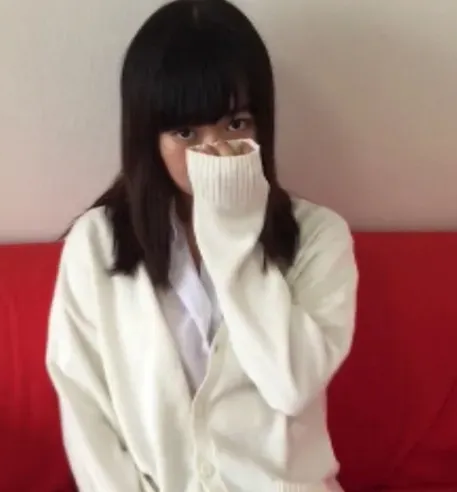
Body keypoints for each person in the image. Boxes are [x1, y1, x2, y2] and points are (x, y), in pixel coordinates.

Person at [46, 0, 358, 491]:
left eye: (236, 124)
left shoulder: (319, 236)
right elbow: (87, 417)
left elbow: (291, 384)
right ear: (149, 139)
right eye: (185, 132)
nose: (215, 150)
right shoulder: (97, 243)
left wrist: (234, 234)